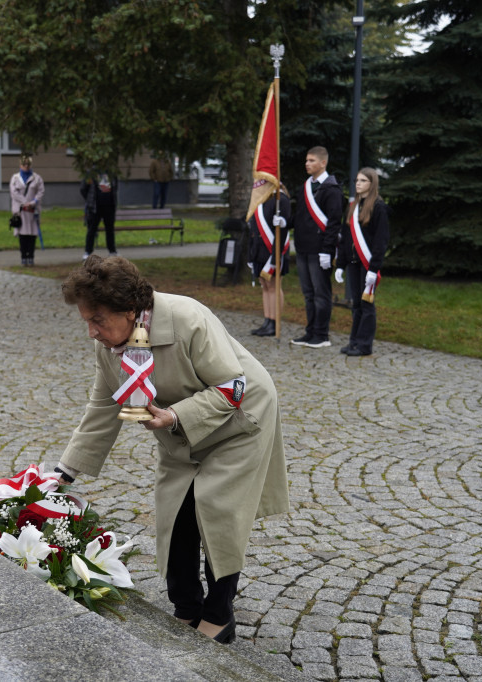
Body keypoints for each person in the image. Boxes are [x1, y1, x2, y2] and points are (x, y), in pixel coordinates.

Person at [54, 255, 289, 644]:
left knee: (217, 512)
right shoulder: (110, 345)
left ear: (130, 311)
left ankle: (219, 615)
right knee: (175, 512)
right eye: (87, 321)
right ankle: (186, 608)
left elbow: (234, 386)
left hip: (240, 420)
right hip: (179, 428)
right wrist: (64, 473)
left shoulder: (187, 317)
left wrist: (175, 416)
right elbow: (102, 406)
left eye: (97, 320)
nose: (91, 331)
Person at [290, 146, 343, 348]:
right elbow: (301, 216)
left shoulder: (332, 189)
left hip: (320, 249)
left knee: (321, 294)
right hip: (303, 247)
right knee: (308, 294)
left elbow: (333, 222)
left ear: (323, 163)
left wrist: (327, 250)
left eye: (312, 160)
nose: (307, 164)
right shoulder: (305, 187)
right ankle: (310, 331)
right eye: (306, 160)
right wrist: (285, 222)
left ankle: (322, 334)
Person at [336, 168, 389, 357]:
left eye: (363, 180)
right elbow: (345, 238)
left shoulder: (378, 207)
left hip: (367, 265)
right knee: (356, 304)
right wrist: (340, 264)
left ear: (371, 183)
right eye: (357, 180)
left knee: (367, 305)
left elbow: (380, 241)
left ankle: (365, 345)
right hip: (353, 262)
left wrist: (374, 269)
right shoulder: (354, 206)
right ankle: (354, 342)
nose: (358, 184)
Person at [247, 188, 292, 337]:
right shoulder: (260, 199)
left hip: (273, 249)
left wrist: (275, 257)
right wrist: (251, 254)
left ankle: (275, 322)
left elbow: (285, 229)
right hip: (259, 250)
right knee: (264, 286)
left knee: (274, 286)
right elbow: (253, 227)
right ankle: (267, 320)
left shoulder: (280, 199)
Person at [9, 154, 45, 266]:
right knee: (23, 236)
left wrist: (33, 202)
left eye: (28, 164)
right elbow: (14, 193)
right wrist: (25, 202)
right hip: (21, 212)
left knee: (32, 236)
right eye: (24, 164)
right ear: (20, 165)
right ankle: (23, 257)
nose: (26, 166)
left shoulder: (37, 178)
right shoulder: (15, 178)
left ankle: (31, 257)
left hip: (32, 211)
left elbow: (41, 191)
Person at [81, 169, 119, 259]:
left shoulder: (111, 173)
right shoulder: (91, 173)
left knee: (110, 230)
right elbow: (83, 189)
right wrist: (90, 200)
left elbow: (115, 187)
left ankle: (112, 251)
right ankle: (88, 251)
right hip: (95, 207)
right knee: (91, 230)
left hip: (109, 206)